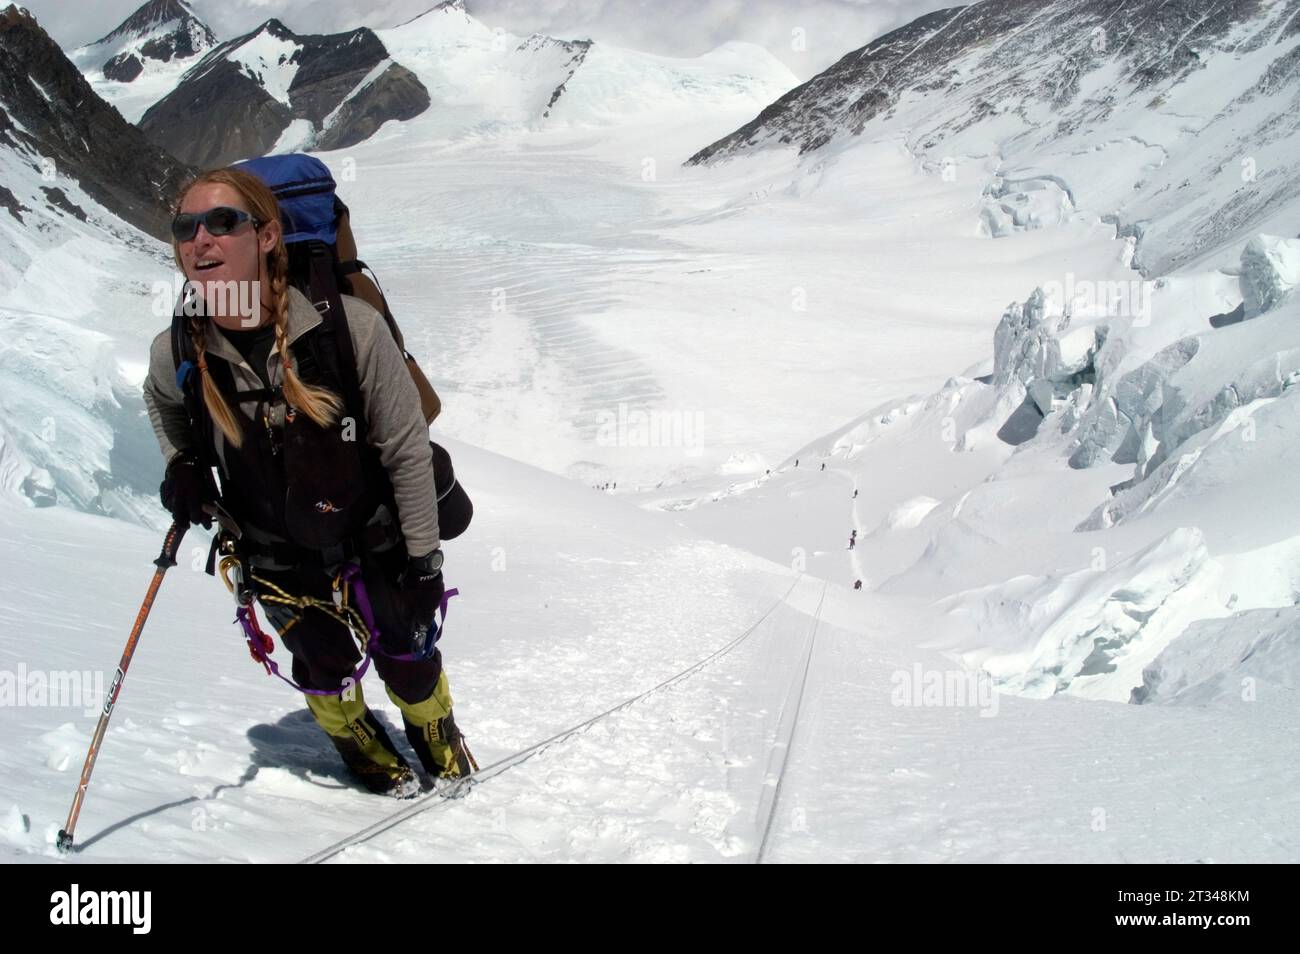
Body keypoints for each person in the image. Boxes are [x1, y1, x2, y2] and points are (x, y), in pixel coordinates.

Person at [142, 167, 474, 797]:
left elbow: (406, 452)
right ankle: (357, 742)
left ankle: (435, 731)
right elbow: (161, 401)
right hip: (273, 549)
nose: (200, 240)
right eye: (186, 227)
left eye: (222, 222)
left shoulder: (349, 328)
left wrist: (426, 565)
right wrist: (181, 460)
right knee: (323, 665)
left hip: (372, 537)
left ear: (267, 236)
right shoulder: (180, 347)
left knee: (408, 658)